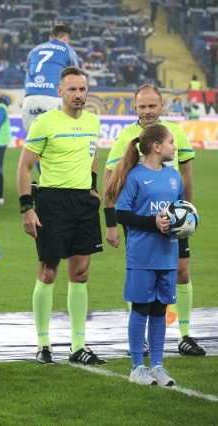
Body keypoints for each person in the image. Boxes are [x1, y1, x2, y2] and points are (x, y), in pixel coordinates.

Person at [103, 84, 205, 356]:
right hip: (140, 220)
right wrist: (111, 223)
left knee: (182, 273)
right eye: (142, 107)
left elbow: (186, 176)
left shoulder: (176, 133)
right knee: (141, 277)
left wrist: (187, 213)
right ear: (135, 108)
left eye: (152, 106)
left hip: (175, 221)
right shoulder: (127, 136)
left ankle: (184, 334)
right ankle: (142, 342)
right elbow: (111, 179)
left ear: (162, 106)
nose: (147, 111)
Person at [16, 66, 105, 365]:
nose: (78, 95)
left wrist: (92, 187)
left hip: (83, 203)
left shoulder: (93, 121)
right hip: (52, 201)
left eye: (82, 89)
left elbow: (93, 155)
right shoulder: (44, 123)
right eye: (72, 90)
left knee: (80, 273)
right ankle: (43, 343)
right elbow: (25, 167)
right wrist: (27, 208)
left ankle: (78, 345)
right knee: (48, 272)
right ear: (60, 91)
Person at [105, 124, 181, 387]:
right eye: (171, 142)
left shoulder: (174, 177)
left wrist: (185, 229)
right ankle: (137, 367)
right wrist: (153, 223)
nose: (175, 147)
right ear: (157, 146)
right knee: (141, 308)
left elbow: (180, 212)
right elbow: (122, 214)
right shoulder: (135, 176)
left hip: (167, 254)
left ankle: (157, 365)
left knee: (160, 310)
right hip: (141, 255)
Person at [21, 24, 80, 132]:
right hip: (53, 97)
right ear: (65, 38)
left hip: (30, 98)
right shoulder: (67, 49)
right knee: (58, 141)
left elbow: (27, 73)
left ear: (50, 37)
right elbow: (76, 76)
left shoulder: (34, 50)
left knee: (32, 143)